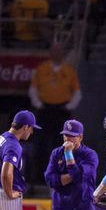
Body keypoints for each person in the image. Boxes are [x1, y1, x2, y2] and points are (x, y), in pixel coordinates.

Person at [29, 43, 82, 183]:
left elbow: (77, 92)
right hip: (45, 111)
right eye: (54, 51)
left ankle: (63, 176)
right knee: (41, 144)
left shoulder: (69, 70)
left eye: (60, 51)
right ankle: (39, 178)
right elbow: (33, 90)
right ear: (50, 53)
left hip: (62, 112)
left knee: (63, 144)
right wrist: (40, 105)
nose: (57, 53)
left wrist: (69, 106)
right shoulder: (41, 69)